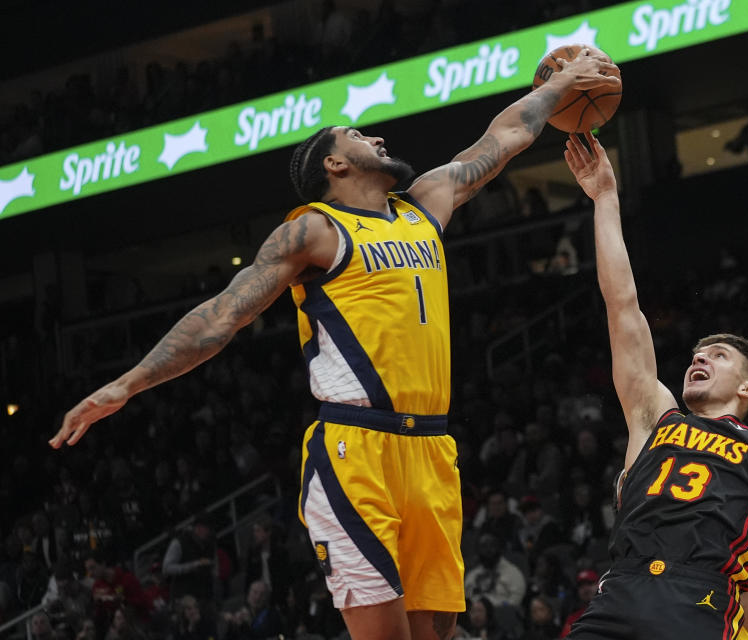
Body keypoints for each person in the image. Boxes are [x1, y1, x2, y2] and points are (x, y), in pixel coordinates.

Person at [50, 49, 619, 640]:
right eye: (356, 135)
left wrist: (562, 88)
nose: (376, 136)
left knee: (438, 635)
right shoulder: (315, 229)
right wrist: (127, 383)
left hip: (431, 449)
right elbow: (222, 315)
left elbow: (504, 136)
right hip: (356, 448)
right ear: (334, 164)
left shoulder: (426, 204)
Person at [561, 133, 748, 639]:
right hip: (618, 593)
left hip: (697, 601)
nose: (700, 357)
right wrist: (604, 199)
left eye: (719, 354)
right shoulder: (655, 418)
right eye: (697, 353)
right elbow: (622, 304)